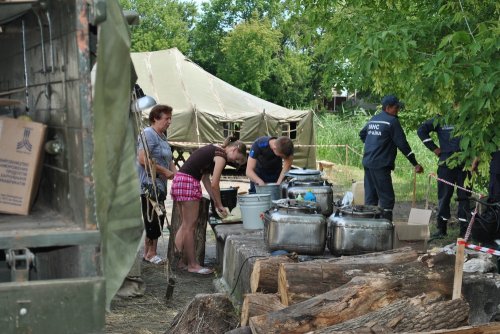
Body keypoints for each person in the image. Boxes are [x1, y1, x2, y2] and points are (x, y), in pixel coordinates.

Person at [171, 137, 247, 274]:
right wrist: (219, 203)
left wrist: (214, 201)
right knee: (189, 227)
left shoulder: (215, 149)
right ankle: (193, 265)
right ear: (234, 149)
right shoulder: (221, 156)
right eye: (237, 159)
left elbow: (206, 179)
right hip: (188, 182)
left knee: (185, 225)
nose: (234, 162)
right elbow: (214, 183)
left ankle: (178, 261)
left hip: (180, 179)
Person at [359, 95, 424, 221]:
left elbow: (362, 134)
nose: (398, 110)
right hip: (381, 165)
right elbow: (402, 144)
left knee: (370, 198)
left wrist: (373, 145)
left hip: (368, 162)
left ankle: (369, 226)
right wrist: (415, 163)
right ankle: (385, 226)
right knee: (387, 199)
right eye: (396, 107)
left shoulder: (374, 119)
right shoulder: (392, 121)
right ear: (388, 107)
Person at [417, 117, 471, 238]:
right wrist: (434, 148)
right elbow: (421, 131)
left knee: (465, 197)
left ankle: (465, 231)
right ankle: (441, 229)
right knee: (444, 196)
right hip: (446, 163)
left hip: (465, 163)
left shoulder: (468, 115)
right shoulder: (441, 117)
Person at [137, 104, 177, 264]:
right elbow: (142, 159)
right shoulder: (148, 134)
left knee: (157, 217)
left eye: (170, 118)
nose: (169, 122)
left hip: (159, 185)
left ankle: (147, 253)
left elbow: (169, 159)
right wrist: (164, 172)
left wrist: (176, 173)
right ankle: (152, 253)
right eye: (167, 118)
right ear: (155, 118)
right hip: (149, 185)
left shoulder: (162, 136)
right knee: (153, 218)